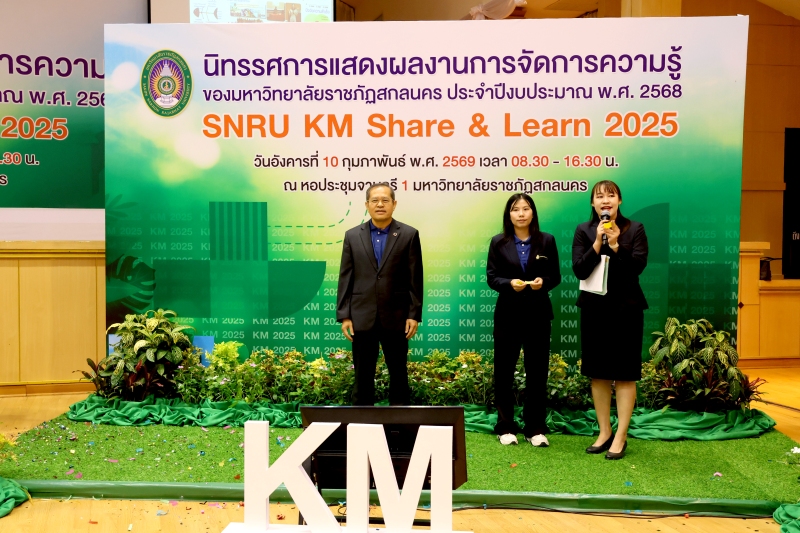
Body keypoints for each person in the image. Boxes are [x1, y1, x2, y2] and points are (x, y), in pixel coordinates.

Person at [572, 180, 648, 460]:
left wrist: (616, 245)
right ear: (593, 203)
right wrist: (597, 243)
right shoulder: (583, 230)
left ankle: (621, 435)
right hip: (595, 309)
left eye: (611, 195)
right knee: (599, 373)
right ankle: (604, 431)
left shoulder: (635, 229)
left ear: (619, 201)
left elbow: (638, 266)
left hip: (627, 309)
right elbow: (579, 270)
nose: (605, 200)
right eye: (599, 196)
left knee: (625, 374)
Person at [336, 182, 423, 405]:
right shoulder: (352, 236)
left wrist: (413, 314)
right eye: (375, 200)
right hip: (361, 316)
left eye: (385, 200)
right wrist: (344, 315)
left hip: (397, 316)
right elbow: (346, 277)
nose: (380, 204)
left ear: (394, 204)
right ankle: (362, 420)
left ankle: (399, 420)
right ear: (367, 205)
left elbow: (415, 278)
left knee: (399, 373)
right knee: (362, 375)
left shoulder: (409, 234)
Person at [486, 193, 560, 446]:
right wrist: (509, 284)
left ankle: (535, 428)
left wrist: (542, 282)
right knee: (504, 372)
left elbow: (555, 276)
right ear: (509, 214)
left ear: (532, 213)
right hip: (508, 314)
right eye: (515, 209)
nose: (521, 213)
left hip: (538, 314)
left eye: (525, 208)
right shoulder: (498, 242)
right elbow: (492, 277)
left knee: (537, 373)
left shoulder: (546, 240)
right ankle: (505, 426)